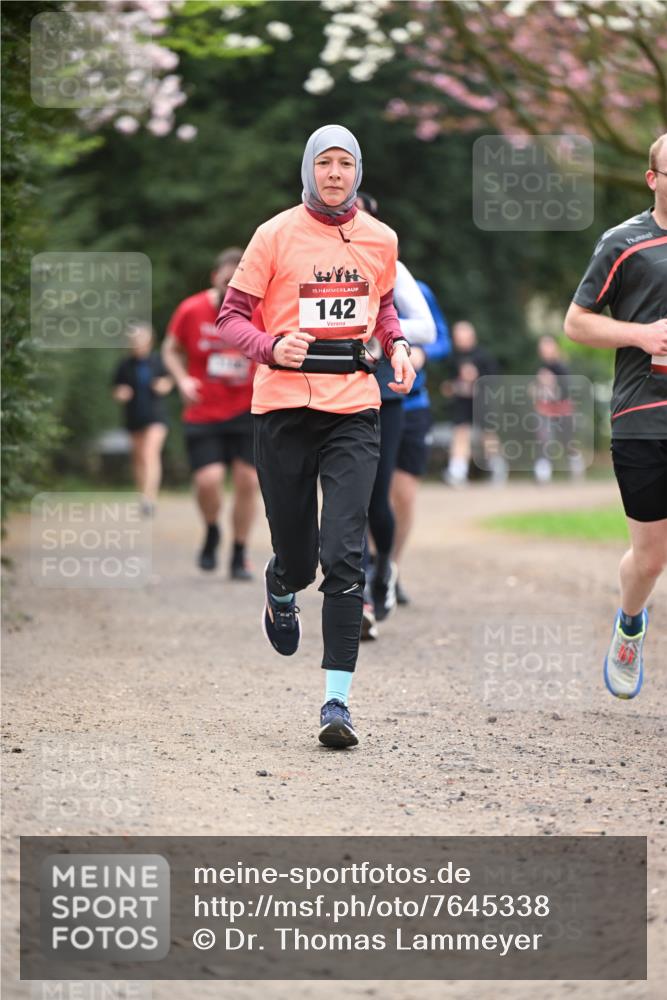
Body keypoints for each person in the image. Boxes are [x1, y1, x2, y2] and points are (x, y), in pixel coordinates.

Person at [216, 125, 415, 748]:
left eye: (345, 164)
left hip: (354, 407)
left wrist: (397, 345)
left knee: (345, 552)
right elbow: (230, 317)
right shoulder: (274, 234)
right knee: (301, 559)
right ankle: (281, 584)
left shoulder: (381, 238)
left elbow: (384, 306)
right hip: (283, 410)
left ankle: (337, 703)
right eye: (324, 163)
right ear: (309, 169)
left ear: (358, 172)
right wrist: (270, 346)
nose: (334, 174)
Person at [564, 132, 667, 699]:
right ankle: (630, 623)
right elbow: (576, 322)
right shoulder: (624, 242)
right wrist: (640, 334)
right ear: (653, 179)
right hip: (643, 417)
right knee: (650, 560)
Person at [355, 192, 436, 629]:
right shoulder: (309, 257)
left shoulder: (390, 264)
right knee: (343, 495)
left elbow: (428, 329)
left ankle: (382, 568)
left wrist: (376, 330)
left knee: (377, 495)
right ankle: (356, 588)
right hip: (325, 389)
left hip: (384, 393)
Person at [162, 249, 259, 578]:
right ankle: (212, 528)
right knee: (208, 480)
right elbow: (170, 348)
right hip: (204, 409)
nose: (232, 286)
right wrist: (182, 379)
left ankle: (239, 552)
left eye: (238, 281)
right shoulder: (191, 309)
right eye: (226, 280)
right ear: (214, 278)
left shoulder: (259, 310)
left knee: (248, 481)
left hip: (248, 408)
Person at [391, 279, 451, 605]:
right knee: (370, 494)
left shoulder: (417, 290)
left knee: (404, 496)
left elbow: (443, 339)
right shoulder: (350, 284)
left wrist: (424, 354)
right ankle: (367, 568)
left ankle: (391, 569)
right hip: (366, 405)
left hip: (413, 406)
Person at [111, 323, 172, 516]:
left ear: (149, 342)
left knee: (149, 453)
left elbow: (169, 380)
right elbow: (116, 388)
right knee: (138, 458)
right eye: (133, 341)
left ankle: (149, 498)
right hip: (134, 415)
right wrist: (120, 393)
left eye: (140, 341)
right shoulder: (124, 365)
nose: (136, 344)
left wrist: (164, 385)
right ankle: (142, 494)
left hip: (156, 416)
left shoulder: (158, 361)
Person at [440, 320, 506, 486]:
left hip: (481, 402)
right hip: (461, 403)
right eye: (457, 336)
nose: (459, 339)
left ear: (472, 336)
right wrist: (453, 386)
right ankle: (457, 471)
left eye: (462, 335)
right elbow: (447, 385)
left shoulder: (483, 356)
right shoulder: (453, 358)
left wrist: (476, 379)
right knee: (460, 433)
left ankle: (497, 467)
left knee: (488, 434)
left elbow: (494, 381)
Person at [531, 334, 584, 484]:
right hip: (545, 409)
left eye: (548, 346)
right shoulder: (539, 367)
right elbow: (534, 389)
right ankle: (543, 474)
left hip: (562, 409)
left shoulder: (562, 367)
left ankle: (576, 467)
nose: (545, 350)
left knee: (568, 441)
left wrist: (552, 384)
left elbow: (566, 391)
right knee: (543, 440)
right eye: (543, 347)